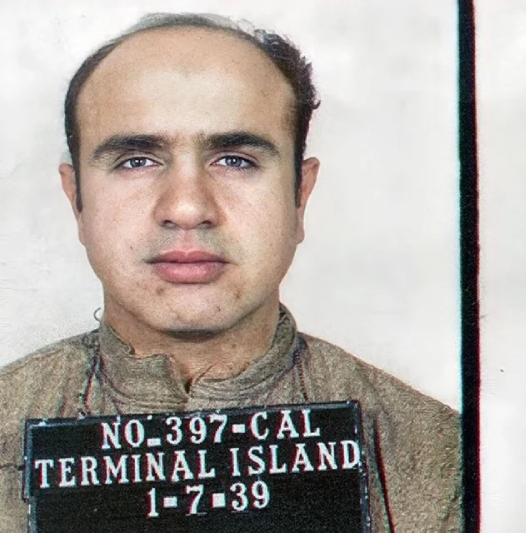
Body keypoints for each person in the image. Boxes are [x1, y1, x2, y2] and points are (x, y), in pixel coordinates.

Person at [0, 13, 459, 532]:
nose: (188, 207)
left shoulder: (445, 460)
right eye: (136, 160)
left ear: (299, 197)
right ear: (76, 200)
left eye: (236, 159)